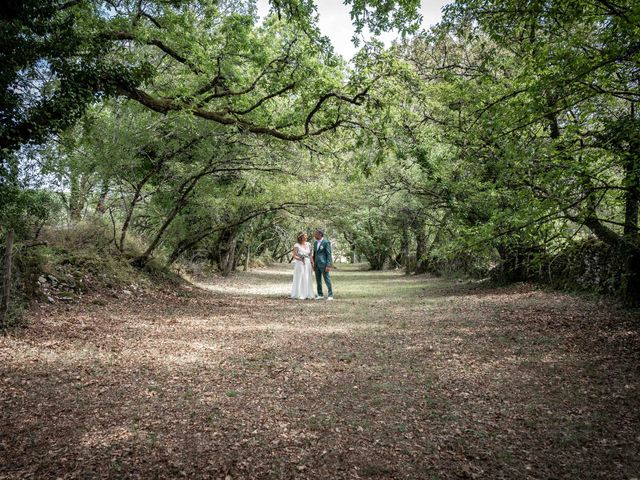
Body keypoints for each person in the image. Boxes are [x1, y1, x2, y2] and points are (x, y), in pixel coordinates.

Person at [291, 232, 314, 300]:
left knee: (307, 277)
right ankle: (299, 294)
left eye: (306, 236)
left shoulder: (309, 244)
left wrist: (312, 263)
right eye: (305, 236)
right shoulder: (296, 245)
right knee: (300, 277)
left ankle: (308, 293)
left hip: (307, 263)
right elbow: (294, 255)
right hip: (299, 263)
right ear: (301, 237)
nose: (306, 237)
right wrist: (301, 259)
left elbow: (310, 255)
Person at [312, 229, 333, 300]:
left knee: (327, 279)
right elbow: (314, 254)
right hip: (317, 264)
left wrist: (328, 265)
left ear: (320, 234)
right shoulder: (315, 243)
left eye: (316, 234)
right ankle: (320, 294)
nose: (315, 235)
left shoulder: (326, 242)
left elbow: (329, 254)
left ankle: (330, 295)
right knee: (318, 280)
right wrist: (313, 264)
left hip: (324, 264)